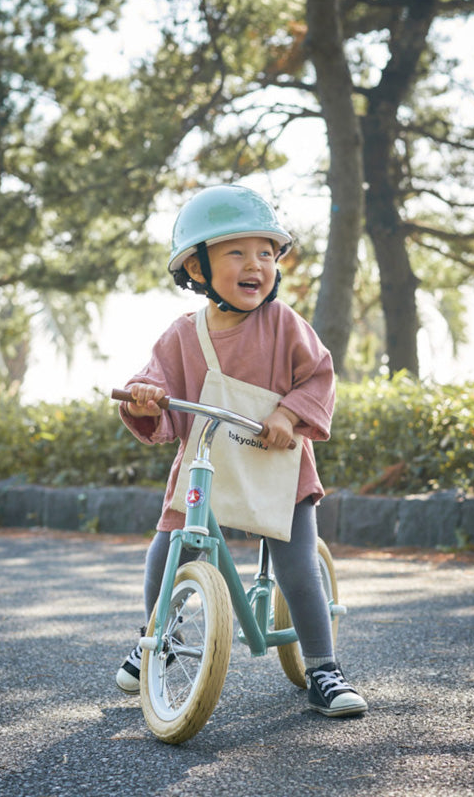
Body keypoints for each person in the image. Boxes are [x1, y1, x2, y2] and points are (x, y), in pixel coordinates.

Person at [114, 184, 367, 718]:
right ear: (197, 269)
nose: (257, 264)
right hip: (206, 464)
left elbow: (319, 377)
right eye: (237, 252)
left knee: (297, 566)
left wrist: (289, 414)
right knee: (168, 548)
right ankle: (156, 635)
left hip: (279, 467)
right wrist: (145, 399)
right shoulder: (181, 337)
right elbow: (157, 396)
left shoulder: (285, 325)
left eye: (266, 254)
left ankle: (323, 665)